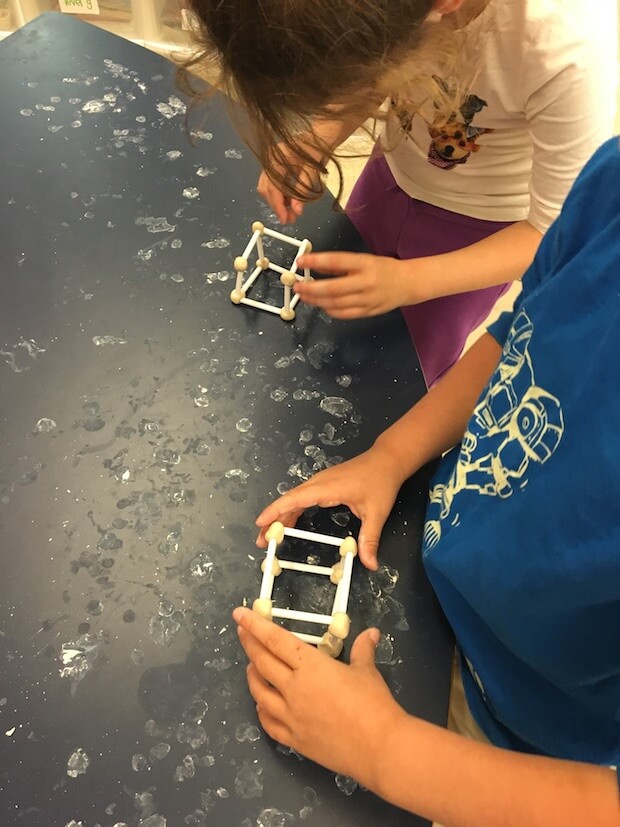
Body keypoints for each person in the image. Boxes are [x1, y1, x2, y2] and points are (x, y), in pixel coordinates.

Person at [232, 136, 620, 827]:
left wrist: (388, 750)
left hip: (518, 734)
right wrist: (391, 453)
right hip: (437, 563)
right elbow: (520, 327)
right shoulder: (614, 181)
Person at [181, 0, 617, 386]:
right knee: (331, 314)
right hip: (387, 178)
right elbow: (371, 69)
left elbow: (555, 231)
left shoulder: (568, 48)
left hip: (481, 238)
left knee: (401, 375)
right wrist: (316, 137)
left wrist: (413, 282)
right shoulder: (395, 16)